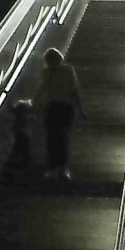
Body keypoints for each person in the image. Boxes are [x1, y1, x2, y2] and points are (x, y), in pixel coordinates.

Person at [38, 46, 84, 179]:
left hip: (61, 106)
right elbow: (43, 89)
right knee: (56, 138)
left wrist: (80, 109)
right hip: (58, 106)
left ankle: (59, 168)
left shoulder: (65, 71)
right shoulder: (51, 72)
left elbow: (74, 90)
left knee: (58, 138)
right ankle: (58, 168)